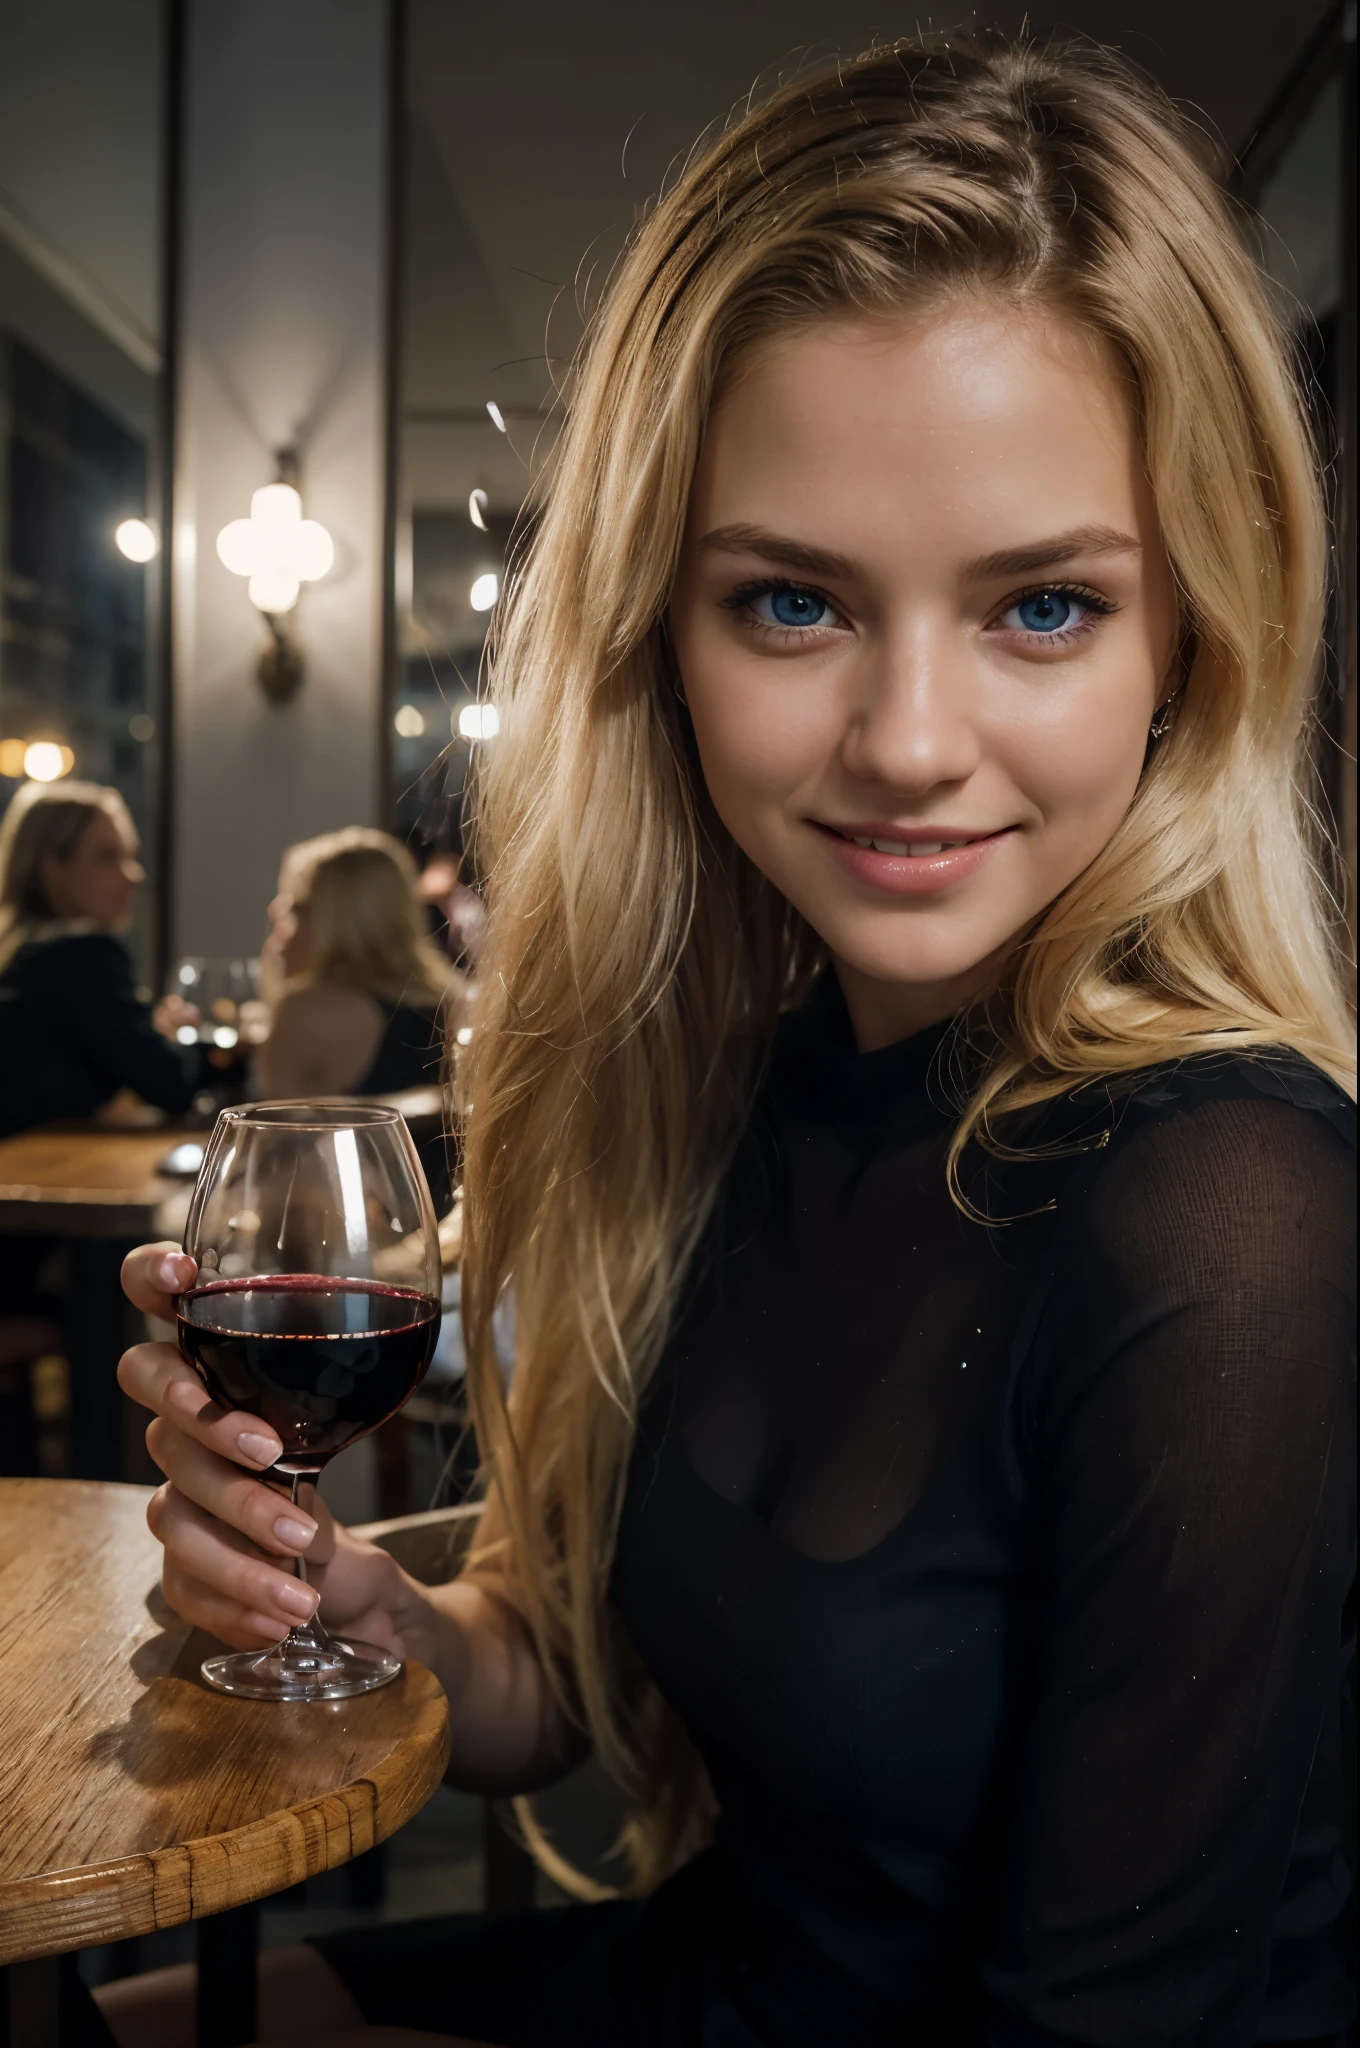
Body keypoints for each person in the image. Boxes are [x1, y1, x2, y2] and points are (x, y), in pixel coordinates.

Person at [107, 30, 1355, 2048]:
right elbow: (546, 1686)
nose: (909, 741)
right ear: (656, 639)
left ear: (1186, 645)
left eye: (1039, 607)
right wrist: (372, 1611)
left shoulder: (1224, 1214)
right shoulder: (728, 1082)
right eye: (791, 604)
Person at [0, 781, 202, 1138]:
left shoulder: (21, 952)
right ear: (53, 868)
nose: (134, 876)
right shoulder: (81, 953)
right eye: (108, 857)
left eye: (132, 856)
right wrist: (176, 1042)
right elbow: (173, 1086)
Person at [253, 827, 467, 1100]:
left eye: (296, 910)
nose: (279, 932)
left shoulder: (306, 1011)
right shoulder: (451, 1002)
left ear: (333, 923)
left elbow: (274, 1134)